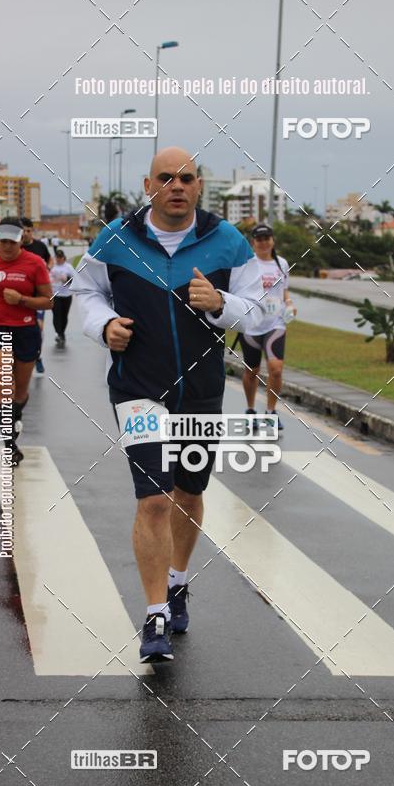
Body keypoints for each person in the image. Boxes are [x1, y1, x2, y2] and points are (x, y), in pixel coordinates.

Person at [71, 147, 265, 663]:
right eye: (166, 177)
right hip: (138, 388)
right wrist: (102, 326)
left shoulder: (227, 241)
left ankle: (178, 581)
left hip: (200, 390)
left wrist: (223, 304)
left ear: (199, 185)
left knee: (188, 491)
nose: (176, 185)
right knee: (154, 498)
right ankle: (155, 615)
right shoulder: (116, 238)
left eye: (186, 178)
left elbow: (258, 310)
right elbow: (86, 293)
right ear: (148, 184)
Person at [0, 217, 53, 465]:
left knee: (20, 393)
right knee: (5, 386)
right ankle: (10, 445)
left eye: (11, 242)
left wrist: (23, 300)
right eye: (2, 241)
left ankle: (13, 421)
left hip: (26, 330)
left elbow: (49, 301)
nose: (6, 247)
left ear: (20, 241)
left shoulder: (34, 263)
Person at [238, 224, 295, 431]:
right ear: (253, 242)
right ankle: (251, 410)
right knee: (251, 371)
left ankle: (271, 412)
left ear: (272, 240)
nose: (263, 242)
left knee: (276, 369)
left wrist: (289, 304)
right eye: (259, 239)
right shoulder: (246, 265)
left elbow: (284, 292)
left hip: (275, 324)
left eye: (267, 238)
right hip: (252, 325)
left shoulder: (282, 264)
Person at [21, 218, 51, 373]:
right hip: (18, 298)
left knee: (38, 328)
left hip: (37, 297)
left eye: (28, 230)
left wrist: (47, 269)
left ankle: (37, 356)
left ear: (32, 231)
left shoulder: (40, 246)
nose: (25, 234)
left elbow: (49, 260)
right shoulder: (15, 247)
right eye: (23, 230)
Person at [50, 249, 75, 346]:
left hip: (66, 295)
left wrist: (67, 279)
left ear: (64, 258)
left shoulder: (68, 267)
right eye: (57, 257)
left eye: (60, 257)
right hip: (55, 294)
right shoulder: (52, 268)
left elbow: (75, 279)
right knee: (56, 315)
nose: (59, 259)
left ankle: (62, 333)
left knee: (64, 316)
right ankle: (58, 334)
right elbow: (47, 279)